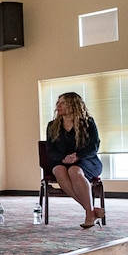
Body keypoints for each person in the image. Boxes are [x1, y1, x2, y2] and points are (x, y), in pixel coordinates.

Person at [46, 92, 104, 228]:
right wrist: (63, 158)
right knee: (58, 170)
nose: (58, 106)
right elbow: (50, 150)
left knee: (75, 171)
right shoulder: (52, 125)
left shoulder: (88, 123)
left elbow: (94, 146)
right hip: (62, 162)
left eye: (63, 103)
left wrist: (77, 156)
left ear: (73, 105)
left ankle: (89, 213)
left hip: (87, 160)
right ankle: (91, 211)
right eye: (58, 102)